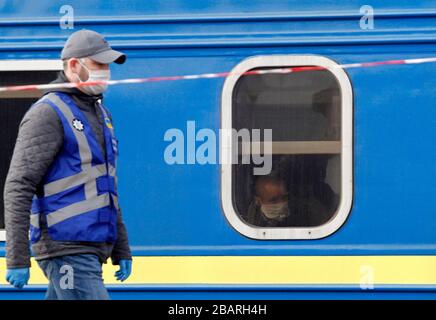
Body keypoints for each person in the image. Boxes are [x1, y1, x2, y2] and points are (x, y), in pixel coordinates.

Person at [4, 29, 132, 300]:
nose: (106, 72)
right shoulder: (48, 112)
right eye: (99, 64)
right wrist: (17, 257)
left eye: (107, 66)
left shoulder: (100, 114)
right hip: (66, 247)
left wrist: (121, 248)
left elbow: (105, 186)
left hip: (90, 246)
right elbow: (19, 185)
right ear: (74, 65)